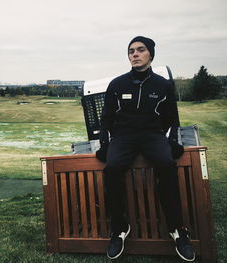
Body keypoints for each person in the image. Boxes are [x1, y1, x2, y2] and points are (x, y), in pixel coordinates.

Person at [95, 36, 195, 262]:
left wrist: (171, 142)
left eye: (140, 50)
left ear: (150, 54)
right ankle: (119, 229)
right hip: (124, 136)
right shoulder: (117, 84)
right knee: (112, 168)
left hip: (153, 135)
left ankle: (176, 229)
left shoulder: (163, 85)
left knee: (167, 165)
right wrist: (105, 145)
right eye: (131, 51)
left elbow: (172, 119)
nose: (135, 54)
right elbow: (106, 119)